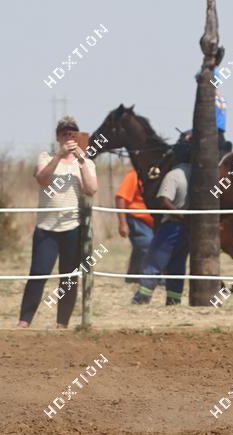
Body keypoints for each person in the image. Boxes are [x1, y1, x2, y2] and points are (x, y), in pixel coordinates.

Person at [18, 116, 98, 329]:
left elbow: (91, 189)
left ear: (78, 137)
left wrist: (81, 161)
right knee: (38, 274)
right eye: (64, 134)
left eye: (72, 134)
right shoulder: (46, 157)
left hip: (72, 228)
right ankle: (24, 321)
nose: (68, 137)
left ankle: (62, 324)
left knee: (69, 279)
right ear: (57, 137)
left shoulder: (87, 162)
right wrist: (59, 156)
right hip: (46, 229)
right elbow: (42, 180)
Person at [131, 153, 192, 306]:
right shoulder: (196, 174)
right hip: (187, 230)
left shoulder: (174, 175)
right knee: (178, 264)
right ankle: (174, 300)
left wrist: (181, 216)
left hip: (172, 225)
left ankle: (142, 298)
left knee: (154, 261)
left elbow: (164, 200)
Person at [115, 168, 154, 284]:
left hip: (153, 221)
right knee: (146, 242)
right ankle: (142, 277)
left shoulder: (159, 172)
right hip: (136, 217)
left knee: (149, 246)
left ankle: (133, 275)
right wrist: (123, 223)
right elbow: (121, 198)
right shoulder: (134, 174)